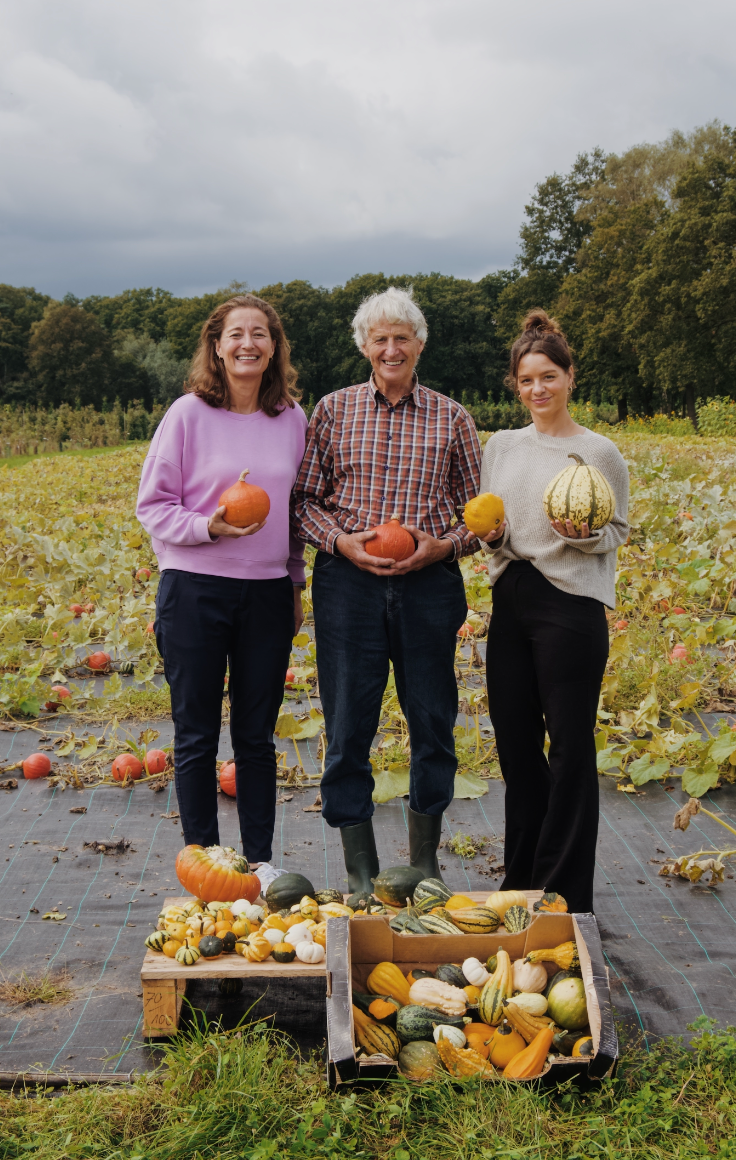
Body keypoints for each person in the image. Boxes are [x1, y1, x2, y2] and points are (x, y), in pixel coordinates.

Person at [292, 286, 483, 900]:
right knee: (348, 723)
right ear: (364, 347)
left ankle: (425, 865)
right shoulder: (333, 411)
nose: (392, 348)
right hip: (348, 584)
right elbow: (304, 502)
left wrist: (442, 546)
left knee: (433, 719)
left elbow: (479, 517)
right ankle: (361, 872)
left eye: (403, 337)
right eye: (381, 339)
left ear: (420, 344)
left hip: (429, 583)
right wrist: (342, 542)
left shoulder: (452, 417)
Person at [136, 294, 307, 893]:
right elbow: (152, 505)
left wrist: (294, 581)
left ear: (273, 348)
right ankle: (203, 863)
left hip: (263, 594)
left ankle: (259, 862)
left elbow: (292, 511)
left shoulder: (291, 420)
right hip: (194, 589)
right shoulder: (187, 414)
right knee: (196, 732)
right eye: (236, 334)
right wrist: (205, 526)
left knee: (256, 734)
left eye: (260, 334)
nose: (248, 344)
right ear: (216, 345)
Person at [478, 310, 629, 914]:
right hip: (512, 597)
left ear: (570, 377)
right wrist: (490, 539)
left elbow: (616, 527)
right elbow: (495, 523)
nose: (537, 389)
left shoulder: (599, 451)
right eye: (526, 380)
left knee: (569, 750)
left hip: (571, 603)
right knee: (516, 747)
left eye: (548, 376)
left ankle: (566, 895)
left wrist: (583, 535)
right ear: (516, 385)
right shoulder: (503, 445)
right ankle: (522, 882)